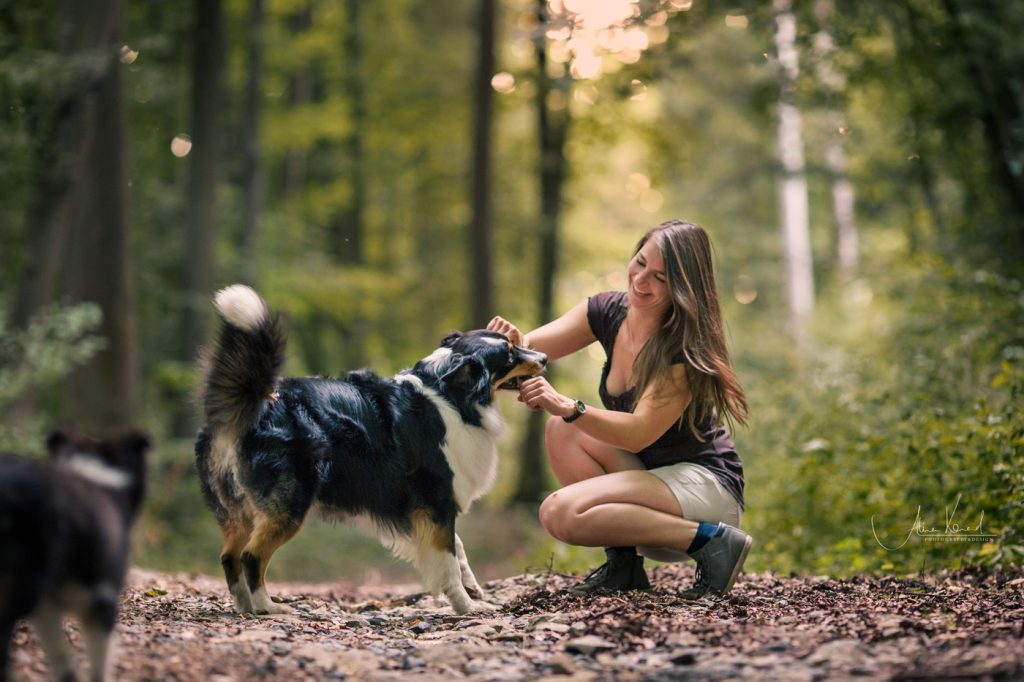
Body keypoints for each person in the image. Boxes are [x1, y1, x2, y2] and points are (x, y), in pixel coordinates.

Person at [487, 219, 751, 597]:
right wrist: (505, 348)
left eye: (660, 277)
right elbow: (525, 358)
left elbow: (638, 431)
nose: (642, 281)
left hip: (704, 490)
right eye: (641, 263)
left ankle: (715, 542)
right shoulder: (607, 312)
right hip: (648, 485)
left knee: (560, 512)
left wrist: (567, 405)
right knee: (562, 429)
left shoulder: (683, 350)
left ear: (683, 286)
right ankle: (624, 568)